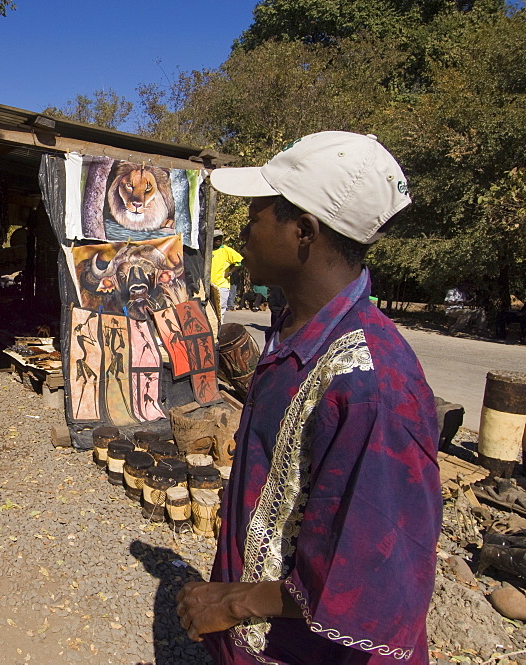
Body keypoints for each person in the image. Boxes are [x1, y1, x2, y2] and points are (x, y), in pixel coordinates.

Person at [178, 132, 441, 665]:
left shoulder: (373, 386)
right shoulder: (292, 329)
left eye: (255, 216)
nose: (243, 233)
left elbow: (373, 575)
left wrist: (235, 603)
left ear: (303, 231)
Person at [211, 230, 243, 323]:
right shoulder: (207, 250)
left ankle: (219, 327)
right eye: (215, 238)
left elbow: (240, 262)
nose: (218, 240)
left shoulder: (226, 250)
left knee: (220, 309)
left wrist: (230, 273)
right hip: (208, 285)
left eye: (220, 238)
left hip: (221, 285)